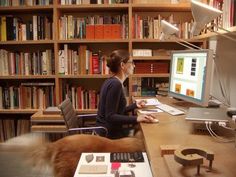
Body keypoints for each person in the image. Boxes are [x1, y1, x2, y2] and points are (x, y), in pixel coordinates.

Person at [96, 49, 157, 139]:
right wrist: (137, 118)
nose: (134, 65)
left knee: (141, 131)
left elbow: (117, 111)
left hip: (109, 130)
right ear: (122, 65)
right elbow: (110, 117)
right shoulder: (115, 85)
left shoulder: (112, 81)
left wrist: (135, 105)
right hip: (108, 135)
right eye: (131, 62)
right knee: (144, 136)